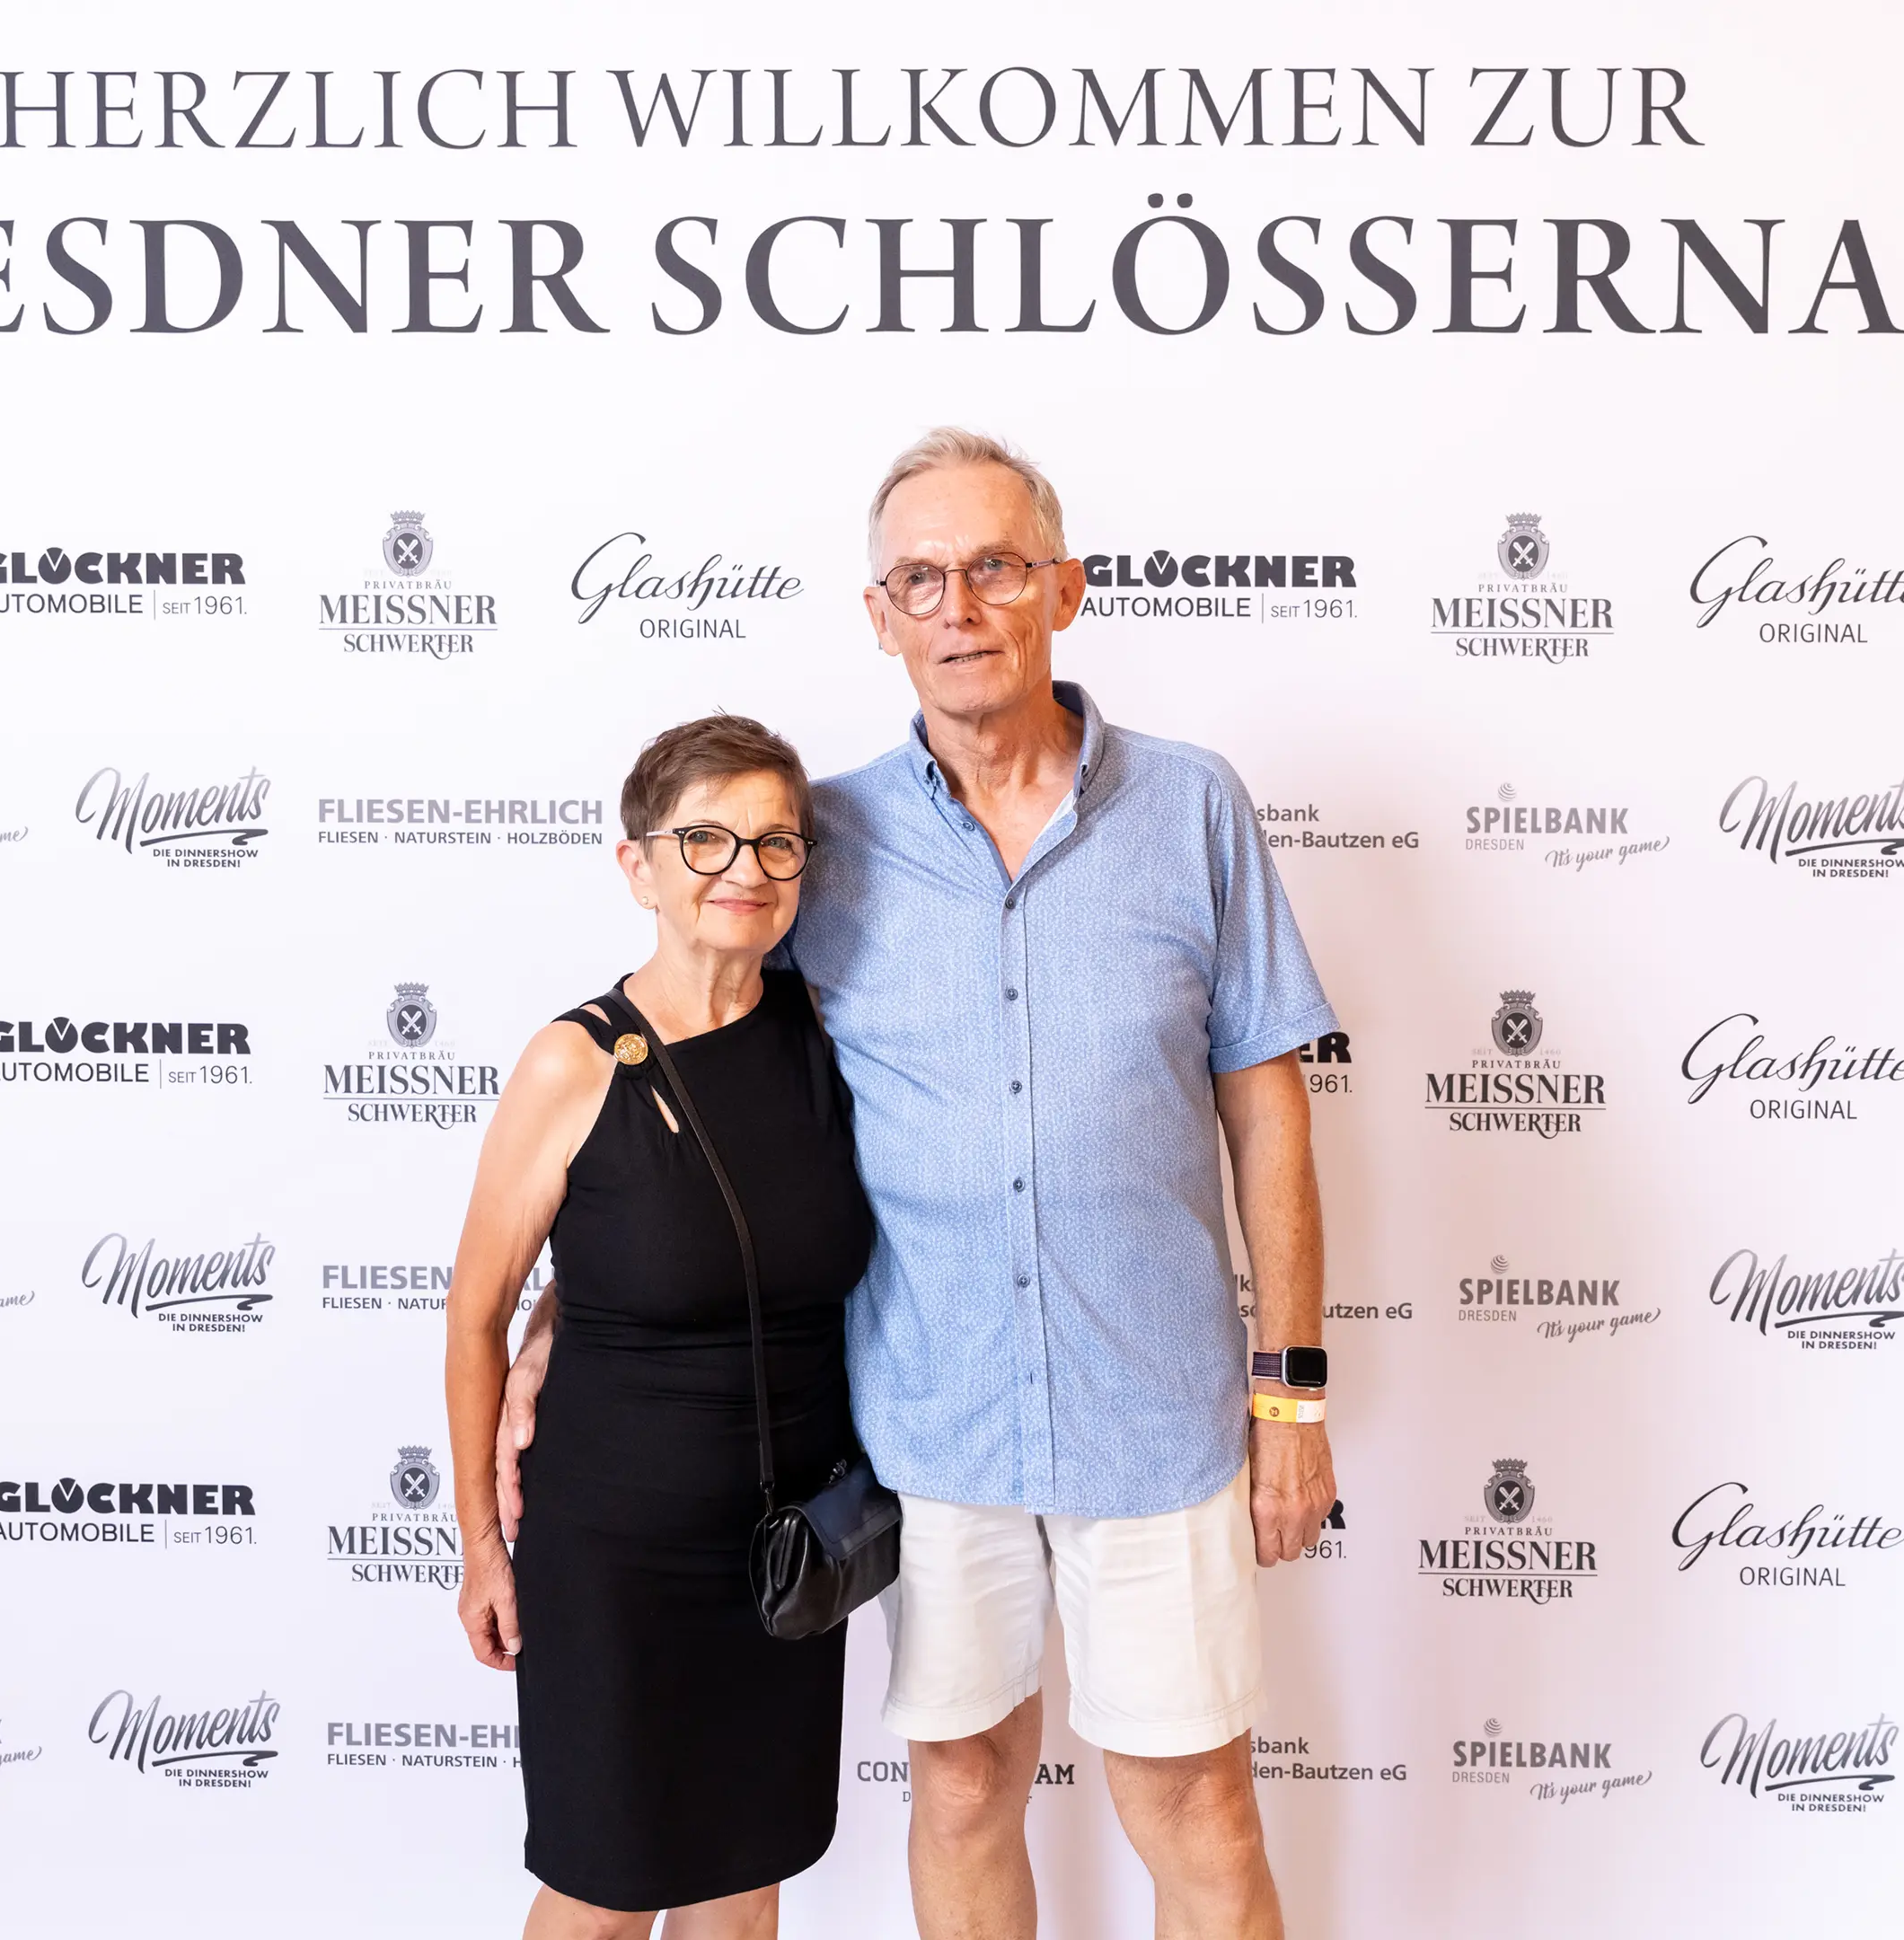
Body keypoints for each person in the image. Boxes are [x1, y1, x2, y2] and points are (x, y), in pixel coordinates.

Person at [504, 428, 1340, 1940]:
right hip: (927, 1420)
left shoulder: (1194, 807)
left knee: (1199, 1805)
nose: (960, 607)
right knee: (961, 1785)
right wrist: (569, 1307)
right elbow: (712, 1086)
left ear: (1063, 591)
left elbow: (1266, 1103)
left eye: (996, 568)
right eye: (921, 579)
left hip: (1153, 1411)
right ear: (879, 616)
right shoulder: (819, 844)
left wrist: (1292, 1396)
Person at [444, 714, 875, 1940]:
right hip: (616, 1555)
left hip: (792, 1545)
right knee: (604, 1890)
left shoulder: (832, 1036)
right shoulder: (573, 1064)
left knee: (746, 1878)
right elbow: (477, 1316)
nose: (745, 867)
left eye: (776, 842)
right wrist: (482, 1547)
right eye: (705, 839)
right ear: (638, 866)